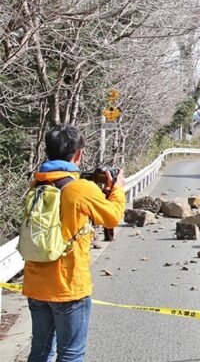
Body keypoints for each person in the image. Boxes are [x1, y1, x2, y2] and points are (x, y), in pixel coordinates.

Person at [23, 124, 125, 362]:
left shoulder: (36, 185)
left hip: (36, 283)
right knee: (71, 354)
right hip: (68, 286)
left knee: (40, 351)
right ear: (78, 154)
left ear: (47, 152)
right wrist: (117, 190)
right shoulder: (81, 188)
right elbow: (112, 217)